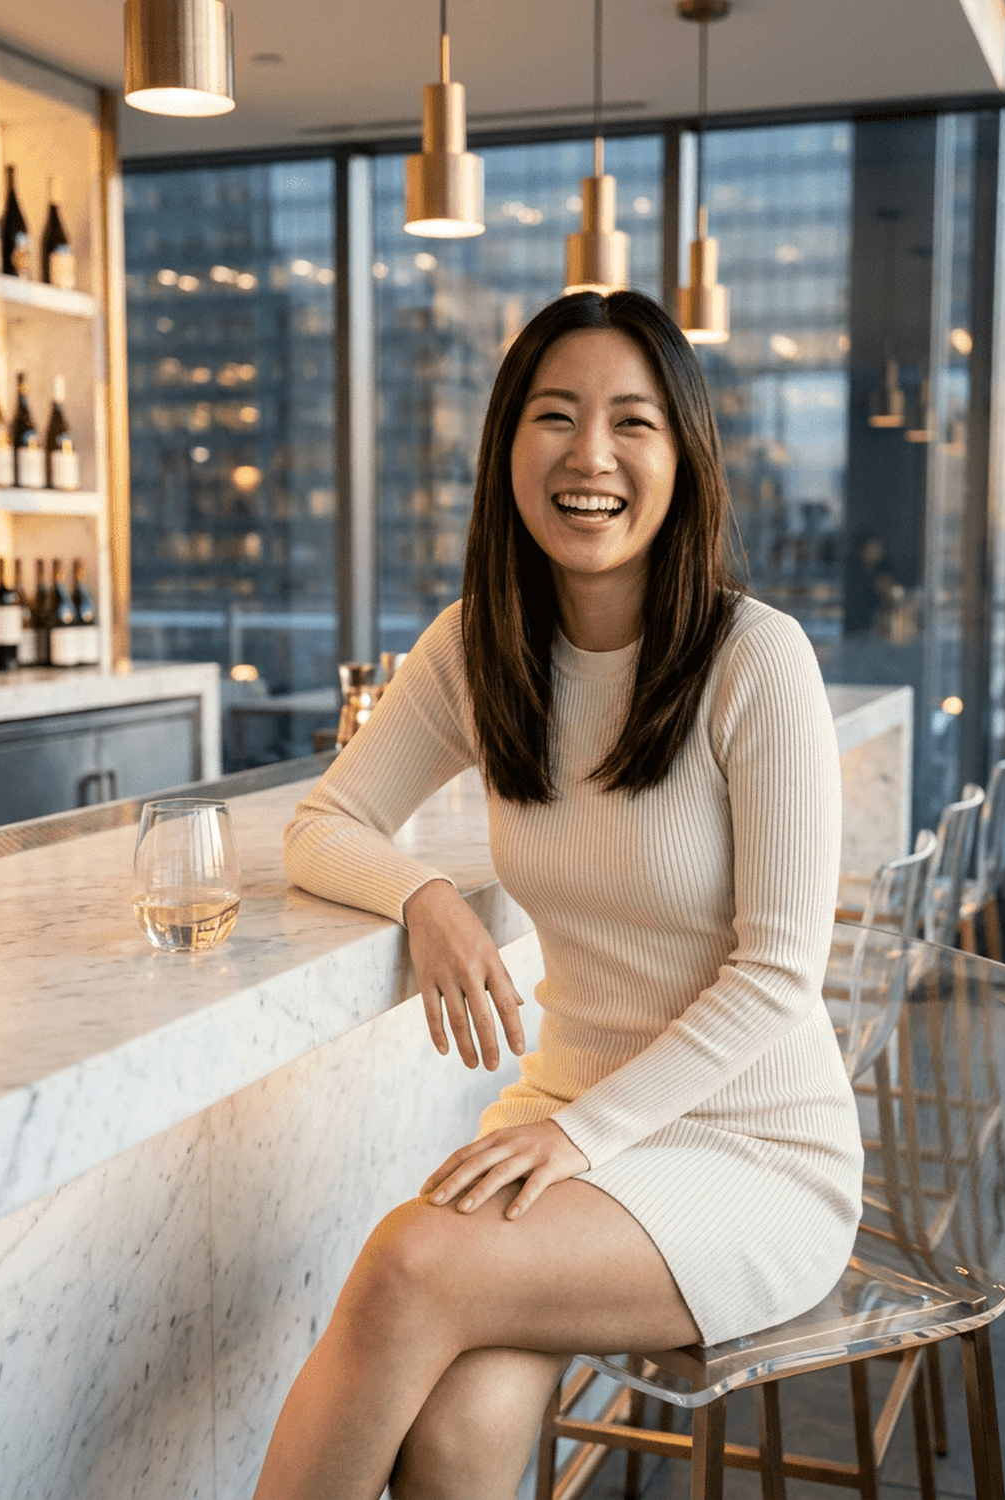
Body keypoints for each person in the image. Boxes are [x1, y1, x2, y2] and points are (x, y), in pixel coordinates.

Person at [253, 290, 862, 1500]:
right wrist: (426, 895)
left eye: (633, 422)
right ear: (507, 451)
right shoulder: (476, 647)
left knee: (409, 1266)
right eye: (555, 416)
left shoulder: (758, 660)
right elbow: (321, 826)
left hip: (754, 1146)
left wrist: (576, 1138)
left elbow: (783, 974)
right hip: (566, 1117)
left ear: (683, 457)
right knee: (459, 1425)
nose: (591, 456)